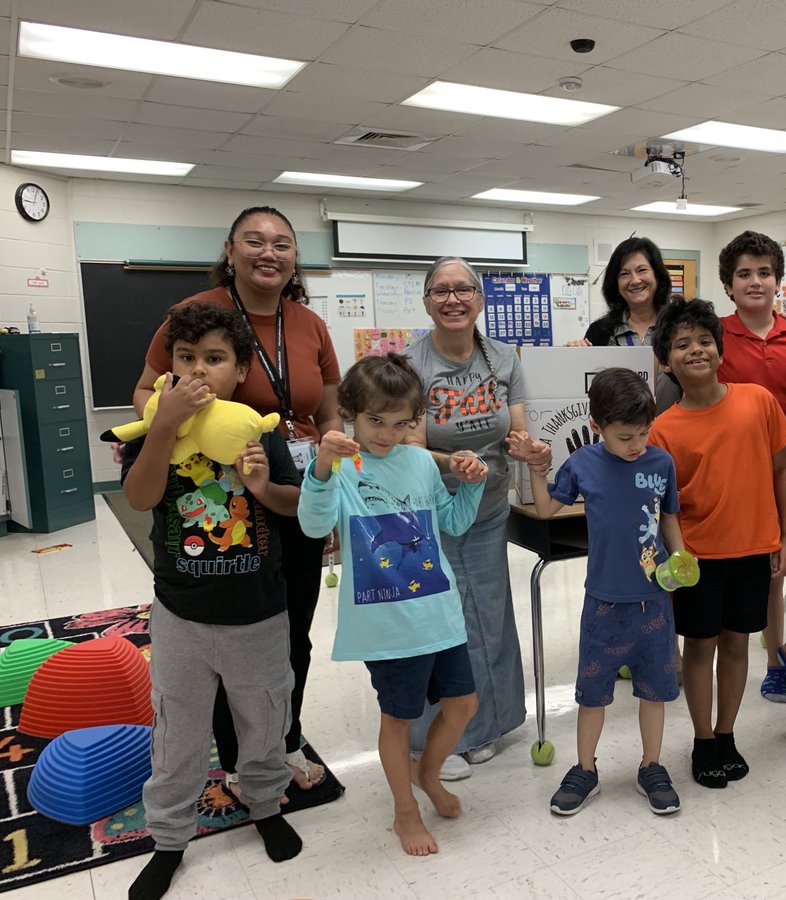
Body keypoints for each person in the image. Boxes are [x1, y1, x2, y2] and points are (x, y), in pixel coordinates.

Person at [134, 206, 340, 794]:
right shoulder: (197, 316)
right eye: (254, 241)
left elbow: (325, 409)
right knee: (225, 630)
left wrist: (326, 475)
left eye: (281, 243)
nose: (268, 253)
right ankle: (232, 758)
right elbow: (147, 392)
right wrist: (181, 425)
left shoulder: (308, 323)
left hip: (289, 489)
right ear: (230, 250)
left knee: (292, 626)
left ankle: (286, 738)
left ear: (295, 257)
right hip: (221, 501)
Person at [123, 303, 303, 900]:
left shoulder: (258, 428)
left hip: (257, 610)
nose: (199, 372)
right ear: (169, 367)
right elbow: (142, 495)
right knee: (177, 729)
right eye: (186, 359)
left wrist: (259, 484)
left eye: (215, 360)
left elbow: (291, 505)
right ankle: (169, 838)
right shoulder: (155, 425)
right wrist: (167, 427)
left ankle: (264, 804)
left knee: (263, 719)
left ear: (239, 369)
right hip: (181, 613)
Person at [297, 353, 487, 856]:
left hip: (437, 611)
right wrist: (320, 466)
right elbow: (314, 528)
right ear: (350, 414)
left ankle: (428, 773)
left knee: (464, 703)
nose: (385, 434)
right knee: (397, 721)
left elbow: (451, 523)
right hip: (386, 623)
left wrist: (473, 483)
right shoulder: (339, 466)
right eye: (375, 421)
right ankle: (404, 811)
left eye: (400, 423)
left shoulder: (421, 461)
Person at [512, 368, 684, 817]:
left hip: (654, 599)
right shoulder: (584, 463)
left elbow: (668, 517)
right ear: (597, 427)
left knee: (654, 691)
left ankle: (652, 765)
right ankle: (585, 768)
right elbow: (548, 507)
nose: (637, 445)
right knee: (592, 694)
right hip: (603, 602)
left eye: (644, 433)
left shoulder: (660, 462)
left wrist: (682, 557)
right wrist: (537, 469)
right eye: (625, 436)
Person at [403, 256, 548, 779]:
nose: (453, 299)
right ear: (427, 301)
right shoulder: (411, 364)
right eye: (440, 290)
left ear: (480, 299)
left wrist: (527, 447)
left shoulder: (503, 358)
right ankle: (435, 740)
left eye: (463, 289)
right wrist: (454, 462)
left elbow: (517, 428)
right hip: (430, 513)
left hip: (487, 510)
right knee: (441, 621)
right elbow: (410, 446)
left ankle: (490, 724)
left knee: (489, 614)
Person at [649, 298, 786, 789]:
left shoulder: (758, 400)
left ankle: (727, 732)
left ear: (720, 348)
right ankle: (702, 738)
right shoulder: (663, 430)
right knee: (700, 648)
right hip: (697, 559)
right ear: (666, 361)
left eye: (705, 341)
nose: (696, 350)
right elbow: (664, 507)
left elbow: (782, 470)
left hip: (754, 549)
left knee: (738, 644)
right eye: (682, 344)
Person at [714, 230, 786, 707]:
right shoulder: (712, 337)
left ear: (778, 281)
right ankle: (775, 663)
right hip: (745, 477)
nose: (754, 281)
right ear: (729, 284)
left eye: (763, 272)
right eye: (743, 274)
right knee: (770, 572)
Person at [573, 237, 672, 348]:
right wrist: (576, 354)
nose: (635, 280)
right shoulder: (598, 331)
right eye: (624, 274)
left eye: (642, 270)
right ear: (616, 285)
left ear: (657, 275)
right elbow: (588, 365)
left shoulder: (677, 325)